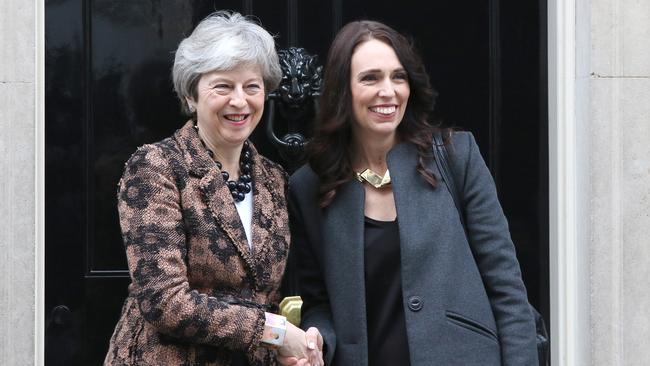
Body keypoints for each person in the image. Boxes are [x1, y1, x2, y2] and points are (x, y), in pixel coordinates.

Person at [287, 20, 539, 365]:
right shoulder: (309, 187)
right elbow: (320, 304)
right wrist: (318, 339)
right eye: (370, 78)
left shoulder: (456, 156)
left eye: (398, 76)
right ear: (342, 91)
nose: (388, 91)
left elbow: (507, 288)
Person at [104, 11, 323, 366]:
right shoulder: (156, 167)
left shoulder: (274, 179)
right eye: (223, 86)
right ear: (192, 94)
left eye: (252, 86)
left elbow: (265, 296)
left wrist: (294, 349)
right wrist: (276, 332)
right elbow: (164, 300)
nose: (240, 101)